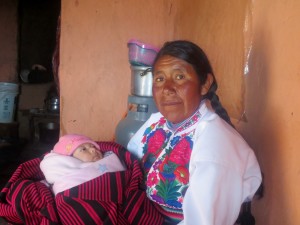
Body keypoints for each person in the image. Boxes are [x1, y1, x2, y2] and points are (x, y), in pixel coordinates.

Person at [127, 40, 262, 225]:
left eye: (179, 77)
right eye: (159, 79)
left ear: (205, 84)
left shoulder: (215, 143)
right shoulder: (157, 123)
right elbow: (127, 166)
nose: (167, 88)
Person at [40, 134, 126, 195]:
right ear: (69, 159)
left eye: (94, 147)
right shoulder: (63, 174)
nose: (93, 150)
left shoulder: (109, 158)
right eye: (84, 149)